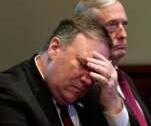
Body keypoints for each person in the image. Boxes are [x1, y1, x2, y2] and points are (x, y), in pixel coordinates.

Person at [0, 14, 130, 126]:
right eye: (83, 64)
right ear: (54, 48)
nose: (87, 79)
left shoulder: (94, 94)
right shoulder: (9, 91)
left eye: (95, 72)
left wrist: (112, 102)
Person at [75, 0, 151, 126]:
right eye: (112, 25)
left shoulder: (124, 79)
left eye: (125, 24)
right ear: (86, 32)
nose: (123, 34)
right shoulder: (84, 85)